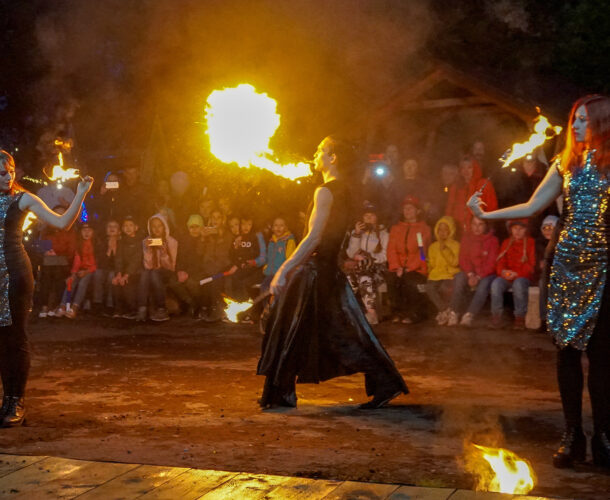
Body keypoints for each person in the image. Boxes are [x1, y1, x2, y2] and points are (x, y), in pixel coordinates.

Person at [467, 94, 610, 469]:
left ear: (601, 122)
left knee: (601, 355)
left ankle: (605, 436)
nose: (575, 126)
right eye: (574, 119)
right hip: (566, 266)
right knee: (566, 352)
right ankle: (572, 434)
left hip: (605, 266)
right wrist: (487, 212)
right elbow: (532, 206)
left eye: (583, 119)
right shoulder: (566, 164)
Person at [258, 136, 407, 410]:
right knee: (338, 331)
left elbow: (314, 237)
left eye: (320, 150)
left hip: (315, 272)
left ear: (333, 157)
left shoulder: (325, 191)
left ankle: (282, 392)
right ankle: (384, 382)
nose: (315, 154)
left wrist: (284, 268)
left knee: (291, 327)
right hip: (327, 270)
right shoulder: (345, 190)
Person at [0, 150, 93, 427]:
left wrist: (81, 193)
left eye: (9, 171)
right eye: (0, 173)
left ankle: (15, 401)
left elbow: (62, 223)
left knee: (13, 338)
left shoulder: (23, 199)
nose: (7, 177)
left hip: (14, 275)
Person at [446, 216, 499, 327]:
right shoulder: (466, 238)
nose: (477, 228)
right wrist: (470, 274)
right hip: (470, 272)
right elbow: (463, 259)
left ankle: (469, 314)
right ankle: (453, 312)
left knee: (484, 285)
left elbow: (492, 263)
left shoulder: (493, 240)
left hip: (485, 273)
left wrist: (478, 276)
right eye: (474, 224)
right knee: (459, 278)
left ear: (485, 226)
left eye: (480, 224)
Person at [386, 196, 431, 324]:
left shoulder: (423, 230)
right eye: (405, 208)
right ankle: (396, 312)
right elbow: (391, 249)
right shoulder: (396, 229)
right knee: (392, 279)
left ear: (417, 211)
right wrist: (396, 267)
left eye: (410, 208)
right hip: (398, 267)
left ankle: (414, 313)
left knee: (410, 281)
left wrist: (409, 268)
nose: (407, 211)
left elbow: (422, 253)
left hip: (416, 267)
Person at [345, 203, 389, 325]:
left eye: (372, 215)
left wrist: (370, 257)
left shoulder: (384, 234)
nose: (368, 218)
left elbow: (385, 256)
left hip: (377, 269)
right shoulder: (357, 233)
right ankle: (349, 311)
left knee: (365, 278)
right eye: (366, 215)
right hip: (358, 268)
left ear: (377, 217)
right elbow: (350, 253)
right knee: (349, 278)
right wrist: (356, 235)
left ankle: (372, 314)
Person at [490, 219, 536, 329]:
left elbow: (531, 265)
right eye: (515, 228)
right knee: (496, 284)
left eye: (521, 229)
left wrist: (517, 274)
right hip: (508, 275)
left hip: (522, 276)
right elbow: (500, 261)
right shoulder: (506, 242)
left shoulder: (530, 242)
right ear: (511, 229)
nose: (518, 231)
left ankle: (519, 317)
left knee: (518, 285)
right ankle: (497, 316)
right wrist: (503, 272)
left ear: (526, 230)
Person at [137, 213, 178, 322]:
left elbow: (171, 266)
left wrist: (163, 252)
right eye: (153, 226)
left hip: (167, 272)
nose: (156, 229)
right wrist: (148, 250)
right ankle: (142, 308)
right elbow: (147, 265)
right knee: (146, 273)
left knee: (154, 273)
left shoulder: (171, 242)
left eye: (159, 226)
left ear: (164, 227)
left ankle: (161, 308)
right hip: (152, 271)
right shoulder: (146, 241)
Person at [447, 156, 497, 234]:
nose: (466, 171)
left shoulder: (484, 184)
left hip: (478, 231)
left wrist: (489, 228)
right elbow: (449, 209)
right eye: (463, 168)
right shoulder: (455, 187)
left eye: (469, 167)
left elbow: (492, 208)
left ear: (475, 168)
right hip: (458, 231)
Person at [57, 222, 98, 319]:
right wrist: (73, 274)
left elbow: (97, 263)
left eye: (89, 230)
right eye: (84, 230)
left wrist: (86, 271)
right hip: (81, 269)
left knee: (83, 282)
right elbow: (77, 260)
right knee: (71, 281)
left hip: (92, 270)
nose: (86, 233)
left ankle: (75, 307)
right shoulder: (79, 244)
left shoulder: (97, 244)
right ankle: (63, 306)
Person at [425, 216, 460, 325]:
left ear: (451, 231)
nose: (442, 232)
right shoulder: (433, 246)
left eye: (446, 229)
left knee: (445, 287)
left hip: (450, 274)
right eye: (440, 229)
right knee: (429, 288)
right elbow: (431, 263)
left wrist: (446, 251)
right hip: (436, 275)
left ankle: (446, 312)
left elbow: (455, 262)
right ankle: (444, 310)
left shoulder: (456, 245)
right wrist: (427, 265)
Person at [112, 216, 143, 319]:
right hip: (124, 271)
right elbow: (118, 258)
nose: (128, 228)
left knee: (127, 282)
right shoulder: (121, 242)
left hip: (137, 271)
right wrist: (119, 273)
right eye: (125, 226)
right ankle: (119, 310)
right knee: (116, 281)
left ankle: (133, 310)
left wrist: (126, 275)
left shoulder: (140, 241)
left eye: (131, 225)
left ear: (136, 227)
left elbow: (137, 260)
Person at [261, 216, 296, 294]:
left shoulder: (288, 241)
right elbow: (268, 258)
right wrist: (265, 267)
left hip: (281, 275)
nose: (278, 228)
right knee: (264, 289)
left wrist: (285, 273)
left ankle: (271, 306)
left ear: (286, 227)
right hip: (269, 273)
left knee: (267, 288)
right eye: (276, 225)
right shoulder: (271, 241)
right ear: (272, 228)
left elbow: (290, 259)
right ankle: (267, 305)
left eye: (281, 225)